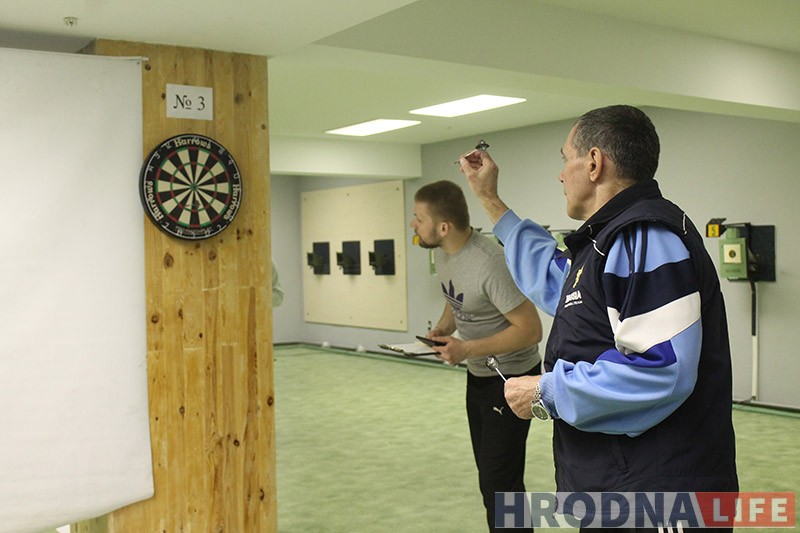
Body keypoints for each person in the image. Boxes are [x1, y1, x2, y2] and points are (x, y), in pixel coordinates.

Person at [460, 105, 738, 531]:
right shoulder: (606, 244)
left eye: (564, 158)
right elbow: (558, 284)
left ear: (593, 163)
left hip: (657, 495)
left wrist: (546, 390)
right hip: (623, 485)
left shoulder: (644, 237)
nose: (560, 175)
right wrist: (489, 199)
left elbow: (660, 370)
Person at [411, 180, 543, 533]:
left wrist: (466, 349)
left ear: (443, 227)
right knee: (489, 479)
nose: (413, 225)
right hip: (479, 376)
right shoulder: (443, 253)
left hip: (512, 378)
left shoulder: (490, 262)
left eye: (417, 218)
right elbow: (457, 299)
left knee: (501, 483)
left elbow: (531, 330)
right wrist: (442, 330)